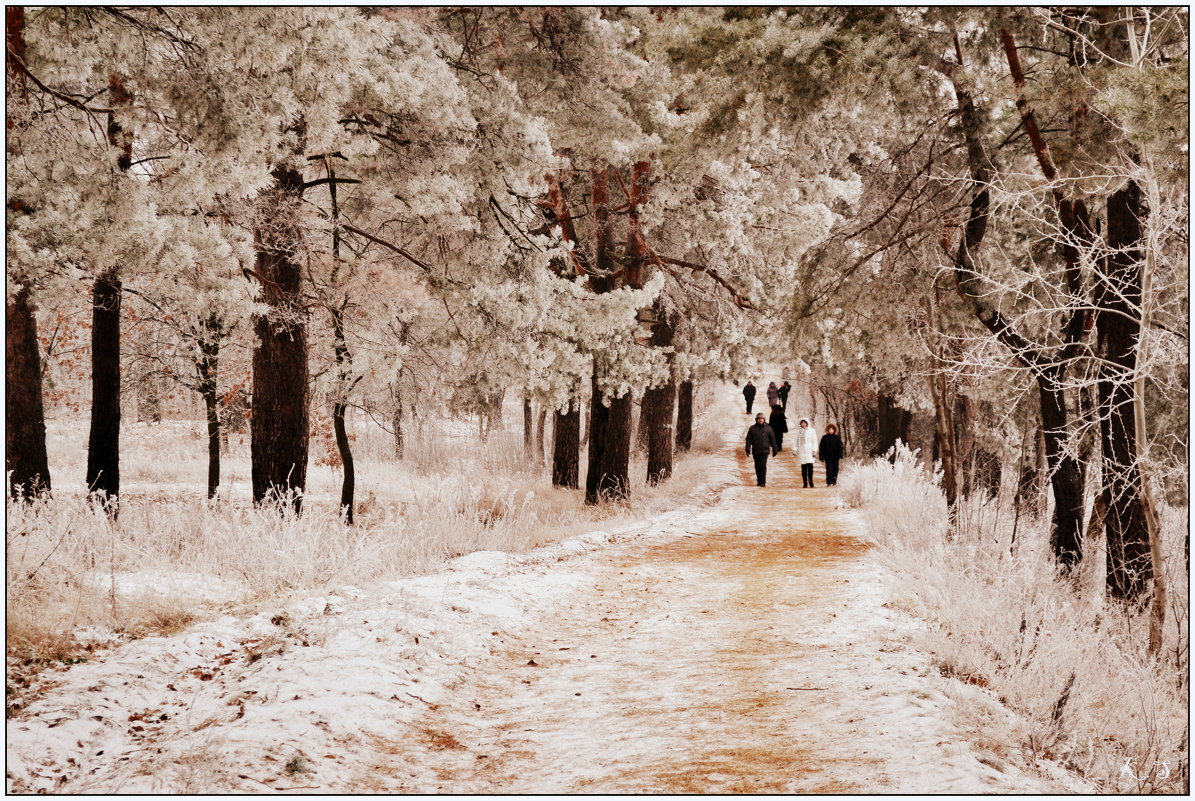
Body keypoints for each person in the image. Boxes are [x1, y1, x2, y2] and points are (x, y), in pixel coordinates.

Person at [745, 412, 778, 487]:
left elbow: (772, 439)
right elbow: (748, 439)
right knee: (757, 466)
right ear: (756, 420)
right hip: (756, 450)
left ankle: (763, 481)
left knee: (763, 465)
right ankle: (759, 480)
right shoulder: (752, 428)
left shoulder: (768, 428)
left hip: (765, 451)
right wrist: (747, 448)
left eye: (762, 419)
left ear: (764, 420)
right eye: (759, 419)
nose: (760, 420)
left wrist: (775, 448)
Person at [793, 417, 818, 487]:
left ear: (807, 423)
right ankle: (805, 483)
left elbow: (815, 441)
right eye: (802, 423)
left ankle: (811, 482)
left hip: (810, 451)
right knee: (803, 468)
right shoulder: (798, 431)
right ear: (800, 424)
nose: (803, 424)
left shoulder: (812, 431)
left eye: (804, 423)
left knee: (810, 467)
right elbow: (796, 441)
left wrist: (814, 450)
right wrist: (794, 449)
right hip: (802, 451)